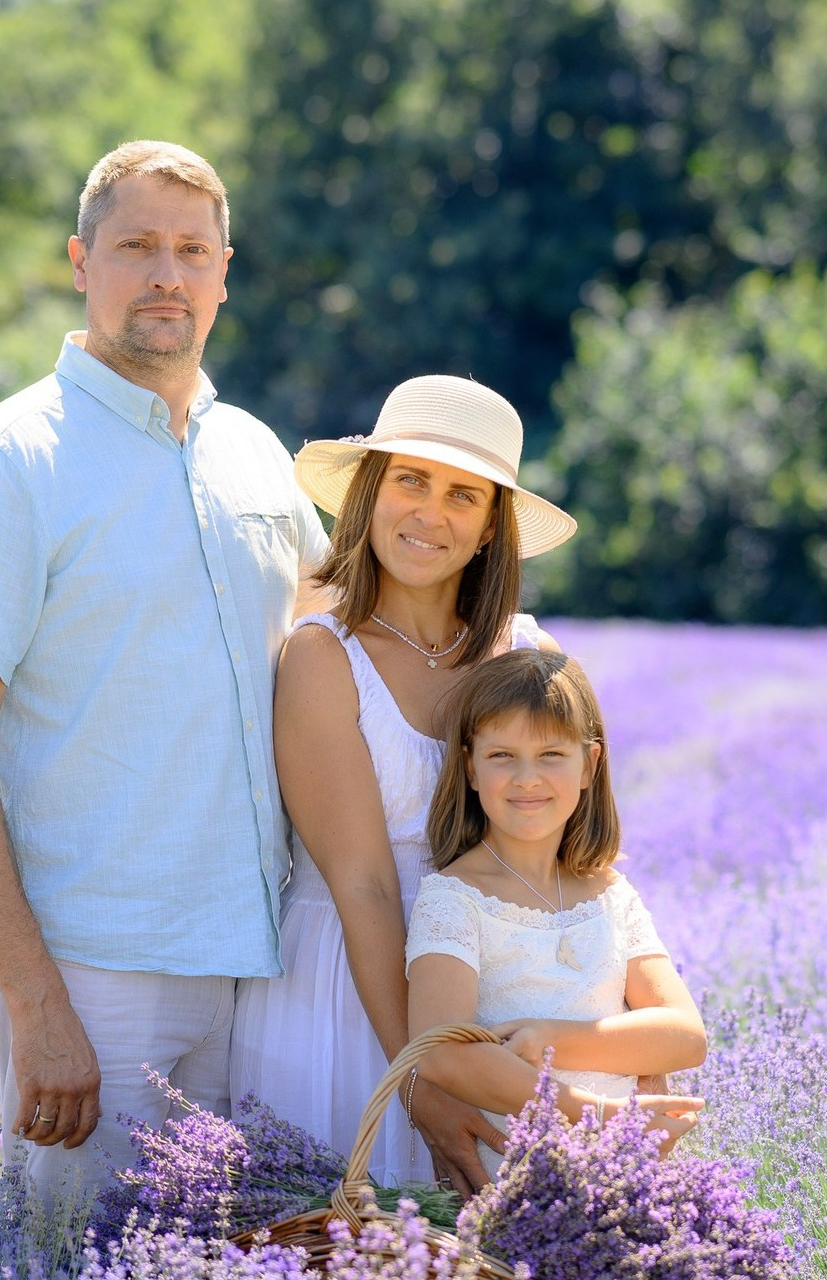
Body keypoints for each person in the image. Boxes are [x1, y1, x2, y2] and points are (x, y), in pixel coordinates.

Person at [0, 140, 328, 1206]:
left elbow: (348, 632)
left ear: (226, 272)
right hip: (91, 974)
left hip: (259, 963)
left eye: (192, 250)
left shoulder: (256, 455)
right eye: (136, 245)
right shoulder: (10, 461)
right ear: (80, 261)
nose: (166, 275)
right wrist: (38, 1003)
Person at [230, 374, 579, 1194]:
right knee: (352, 1232)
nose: (430, 514)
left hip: (501, 987)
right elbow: (365, 886)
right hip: (349, 995)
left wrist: (634, 1031)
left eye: (464, 495)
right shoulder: (323, 655)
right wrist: (419, 1078)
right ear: (370, 494)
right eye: (409, 480)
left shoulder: (528, 655)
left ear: (493, 526)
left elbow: (587, 861)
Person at [406, 648, 707, 1176]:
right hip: (516, 1172)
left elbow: (685, 1037)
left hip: (623, 1170)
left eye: (551, 755)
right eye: (502, 756)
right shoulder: (454, 898)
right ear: (470, 767)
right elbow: (442, 1053)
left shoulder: (611, 894)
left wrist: (546, 1038)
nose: (527, 778)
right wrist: (603, 1117)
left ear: (589, 765)